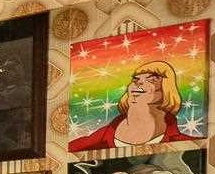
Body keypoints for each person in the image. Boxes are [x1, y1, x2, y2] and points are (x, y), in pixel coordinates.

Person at [72, 58, 201, 150]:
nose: (139, 82)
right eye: (136, 79)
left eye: (152, 79)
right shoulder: (96, 140)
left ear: (166, 89)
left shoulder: (187, 144)